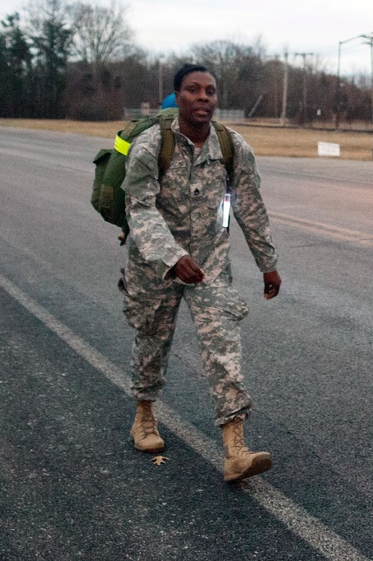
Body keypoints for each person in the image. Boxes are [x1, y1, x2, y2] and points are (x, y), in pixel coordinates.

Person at [120, 63, 282, 482]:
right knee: (152, 341)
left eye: (210, 91)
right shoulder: (152, 145)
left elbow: (247, 205)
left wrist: (268, 263)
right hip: (155, 265)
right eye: (194, 90)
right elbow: (139, 208)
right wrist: (171, 256)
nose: (204, 98)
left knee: (223, 347)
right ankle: (144, 416)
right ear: (178, 97)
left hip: (209, 263)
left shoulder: (232, 146)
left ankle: (235, 448)